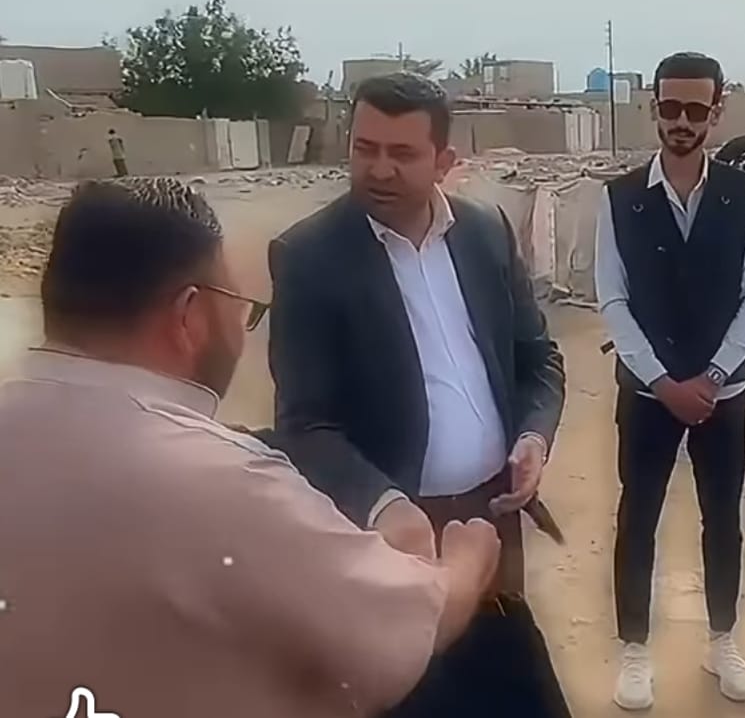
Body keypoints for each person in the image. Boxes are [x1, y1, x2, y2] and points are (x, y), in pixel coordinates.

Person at [0, 177, 501, 718]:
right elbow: (402, 633)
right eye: (240, 307)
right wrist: (463, 564)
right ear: (190, 316)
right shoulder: (223, 483)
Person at [267, 72, 568, 711]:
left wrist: (534, 436)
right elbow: (303, 422)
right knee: (416, 694)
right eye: (365, 147)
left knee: (508, 688)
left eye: (402, 153)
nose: (379, 168)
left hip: (492, 519)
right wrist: (385, 506)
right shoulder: (309, 258)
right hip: (393, 538)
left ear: (444, 161)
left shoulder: (485, 233)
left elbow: (537, 359)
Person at [595, 51, 745, 710]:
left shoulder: (741, 193)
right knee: (637, 517)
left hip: (724, 393)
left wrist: (716, 373)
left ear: (716, 112)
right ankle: (634, 650)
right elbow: (612, 299)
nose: (682, 121)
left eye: (696, 109)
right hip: (648, 395)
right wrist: (664, 381)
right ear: (655, 108)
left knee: (722, 518)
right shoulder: (620, 197)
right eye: (671, 107)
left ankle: (721, 641)